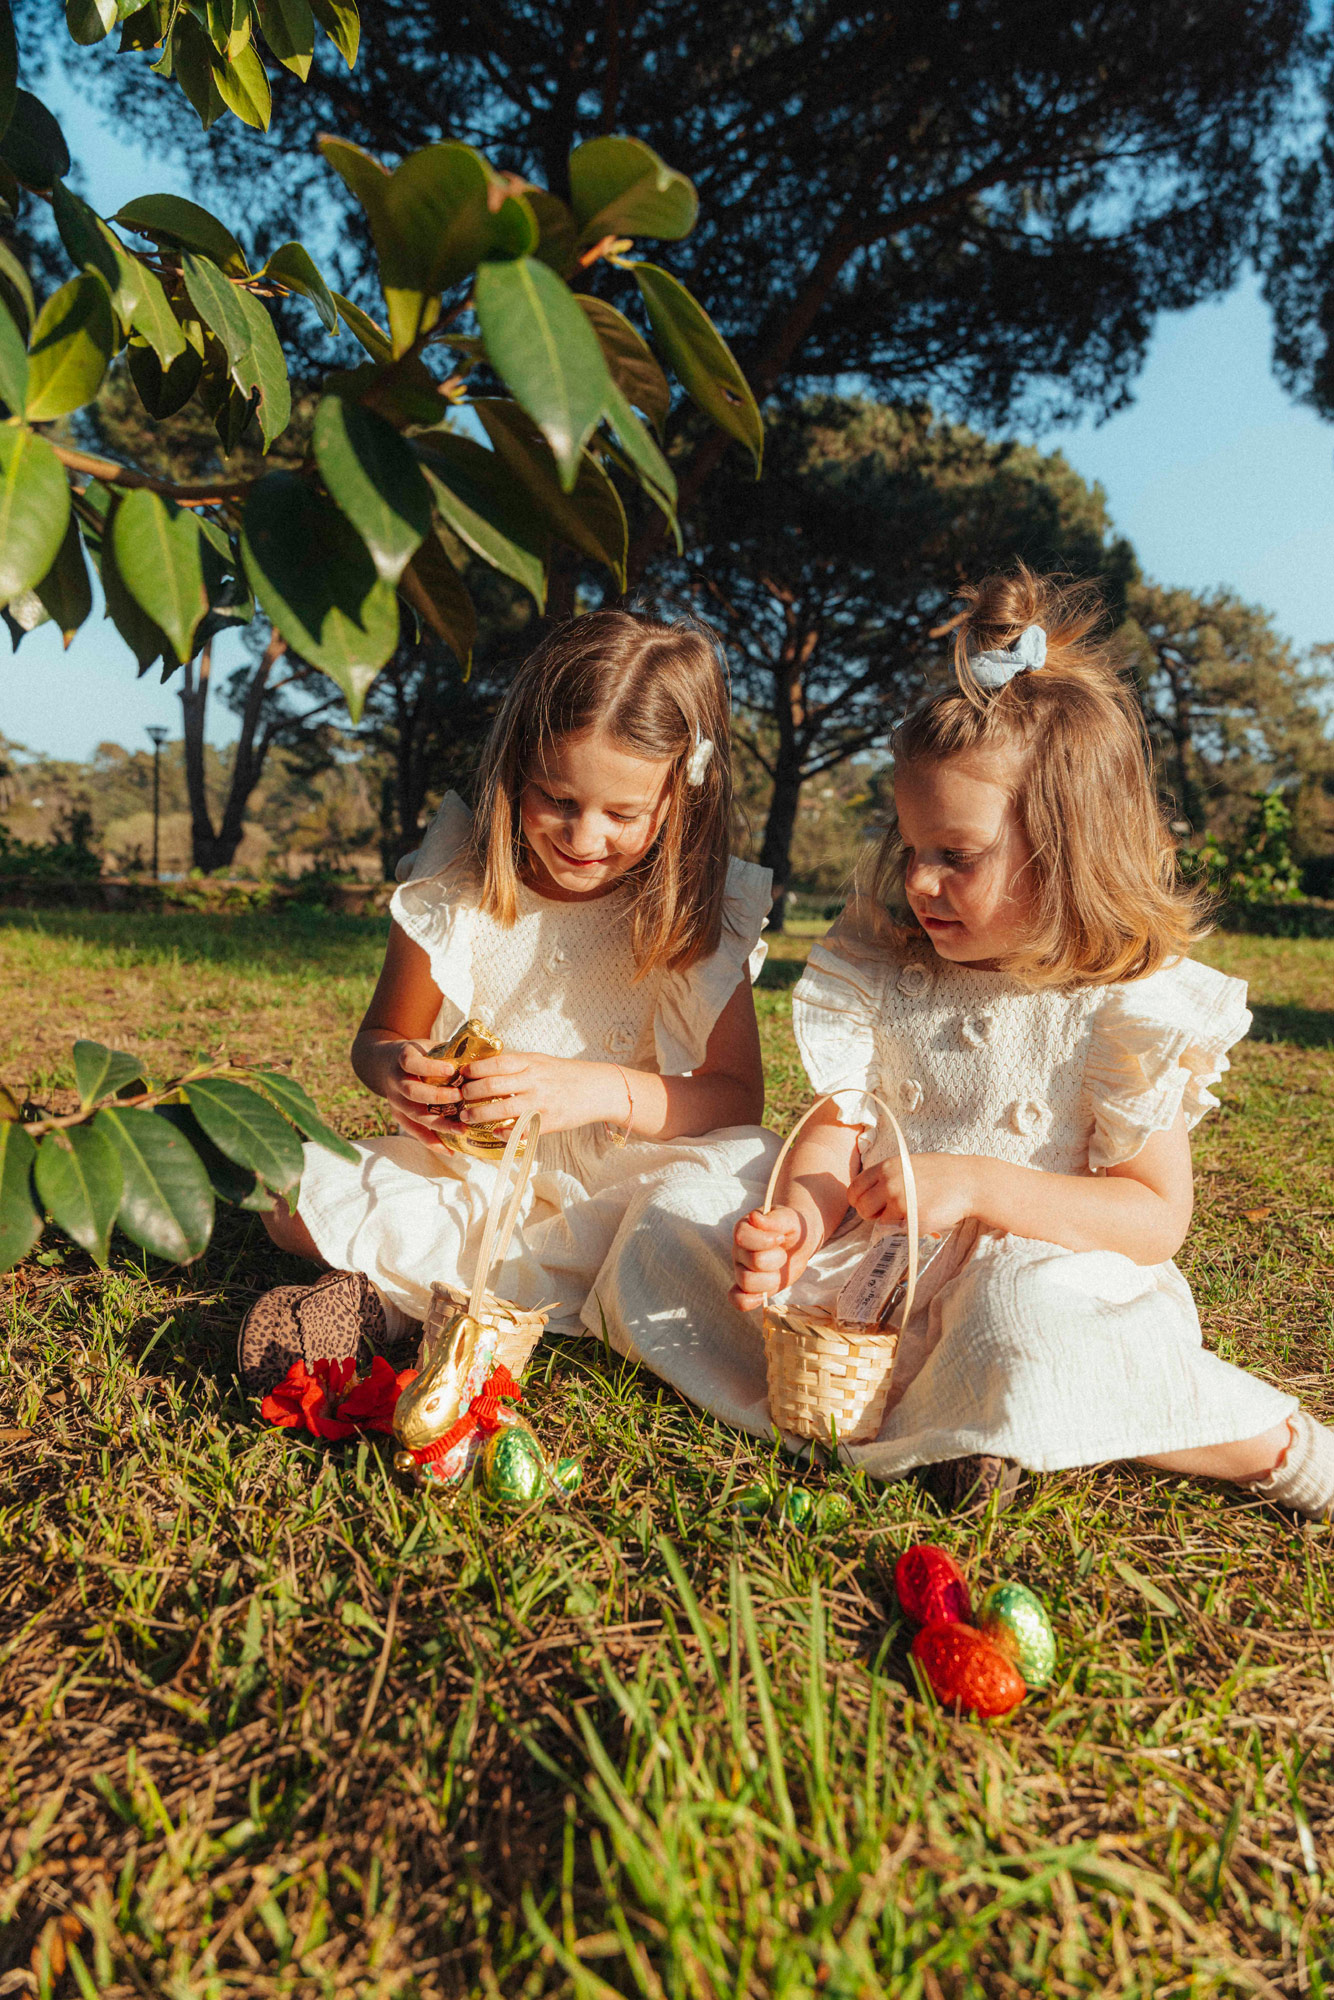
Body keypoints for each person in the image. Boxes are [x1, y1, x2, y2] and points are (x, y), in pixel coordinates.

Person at [591, 567, 1334, 1519]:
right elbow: (835, 1132)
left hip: (1036, 1271)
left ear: (1065, 851)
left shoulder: (1115, 1007)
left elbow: (1154, 1218)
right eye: (911, 849)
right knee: (675, 1209)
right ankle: (970, 1426)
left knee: (1022, 1320)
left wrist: (981, 1186)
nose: (919, 882)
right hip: (873, 1271)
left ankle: (1266, 1446)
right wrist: (803, 1223)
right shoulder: (884, 968)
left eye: (957, 857)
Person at [238, 609, 776, 1393]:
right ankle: (479, 1300)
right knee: (289, 1192)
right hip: (471, 1181)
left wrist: (592, 1090)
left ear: (679, 797)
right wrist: (403, 1072)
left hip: (622, 1183)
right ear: (516, 768)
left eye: (623, 815)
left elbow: (737, 1100)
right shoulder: (457, 881)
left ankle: (393, 1302)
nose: (584, 837)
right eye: (557, 798)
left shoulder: (698, 910)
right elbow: (381, 1036)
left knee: (721, 1192)